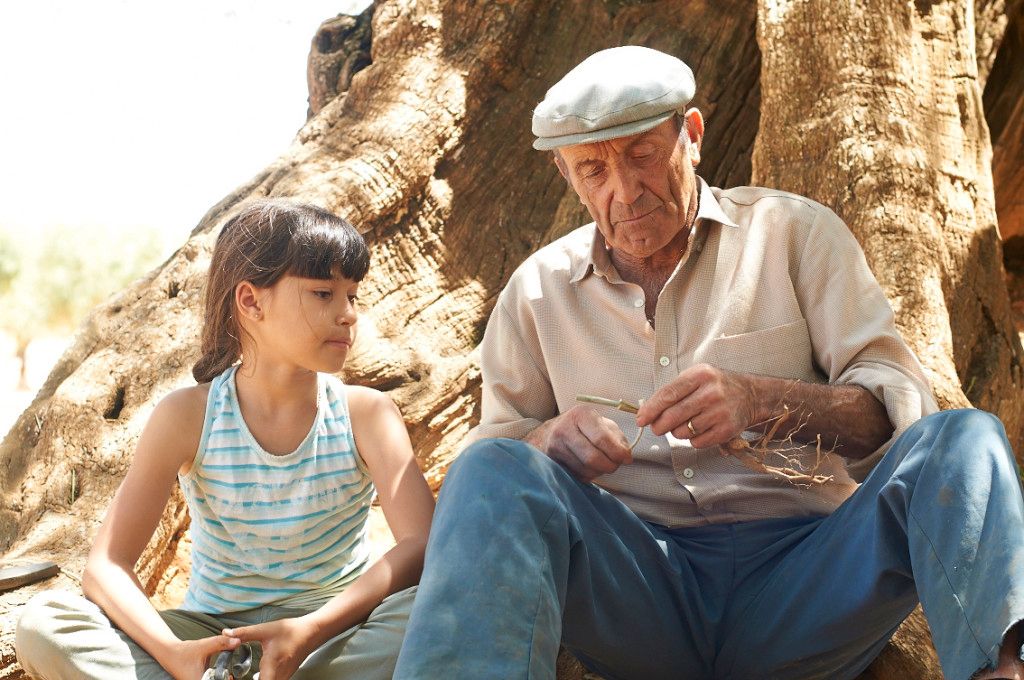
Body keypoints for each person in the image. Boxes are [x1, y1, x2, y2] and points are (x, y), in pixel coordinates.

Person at [393, 46, 1024, 680]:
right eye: (593, 170)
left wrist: (762, 401)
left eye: (642, 155)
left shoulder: (794, 234)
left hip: (809, 583)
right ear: (566, 175)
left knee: (965, 440)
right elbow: (495, 481)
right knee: (490, 466)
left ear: (691, 136)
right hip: (637, 594)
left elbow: (897, 421)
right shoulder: (535, 294)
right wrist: (547, 440)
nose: (626, 191)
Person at [16, 200, 435, 680]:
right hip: (211, 639)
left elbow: (422, 545)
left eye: (352, 295)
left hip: (329, 636)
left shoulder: (367, 413)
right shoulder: (187, 416)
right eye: (324, 294)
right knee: (45, 624)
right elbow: (106, 565)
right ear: (252, 302)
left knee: (439, 604)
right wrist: (174, 652)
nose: (348, 315)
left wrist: (309, 630)